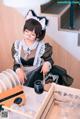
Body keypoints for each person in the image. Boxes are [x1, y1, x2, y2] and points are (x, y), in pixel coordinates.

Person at [11, 10, 54, 87]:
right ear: (23, 30)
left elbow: (49, 60)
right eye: (27, 31)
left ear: (37, 35)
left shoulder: (42, 47)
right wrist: (18, 70)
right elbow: (16, 64)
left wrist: (46, 64)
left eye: (32, 34)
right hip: (22, 75)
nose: (28, 35)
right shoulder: (17, 45)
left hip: (37, 76)